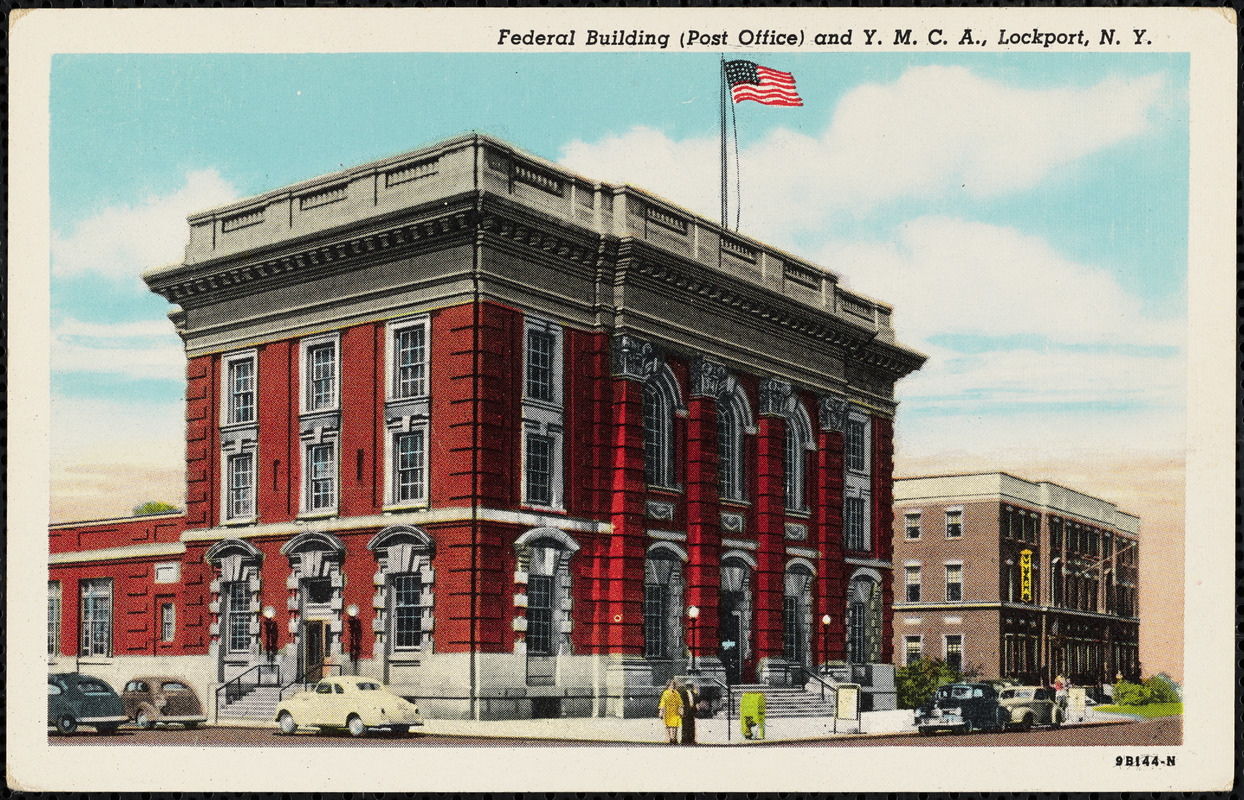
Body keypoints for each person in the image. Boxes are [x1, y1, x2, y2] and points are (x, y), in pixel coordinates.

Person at [657, 679, 684, 744]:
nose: (671, 686)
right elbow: (663, 702)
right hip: (668, 711)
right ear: (668, 686)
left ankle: (674, 738)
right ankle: (670, 738)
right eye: (670, 685)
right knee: (669, 726)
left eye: (673, 685)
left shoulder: (676, 693)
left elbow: (680, 702)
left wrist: (681, 710)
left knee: (675, 726)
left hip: (675, 711)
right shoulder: (665, 693)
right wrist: (661, 711)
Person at [678, 680, 699, 745]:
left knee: (692, 725)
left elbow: (696, 701)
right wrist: (681, 710)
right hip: (686, 711)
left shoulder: (694, 693)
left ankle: (691, 739)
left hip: (691, 711)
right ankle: (684, 740)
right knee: (685, 726)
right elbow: (681, 702)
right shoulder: (683, 692)